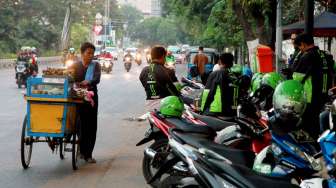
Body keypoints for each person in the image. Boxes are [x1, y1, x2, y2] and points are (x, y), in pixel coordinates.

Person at [291, 33, 332, 139]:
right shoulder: (326, 55)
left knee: (309, 126)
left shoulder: (307, 56)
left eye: (299, 47)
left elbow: (296, 77)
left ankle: (312, 149)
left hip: (310, 97)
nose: (300, 49)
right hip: (326, 96)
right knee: (321, 124)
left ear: (303, 44)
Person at [70, 42, 101, 163]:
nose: (91, 55)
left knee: (91, 125)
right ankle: (81, 149)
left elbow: (97, 79)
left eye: (92, 53)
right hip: (77, 97)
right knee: (79, 124)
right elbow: (69, 77)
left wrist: (87, 82)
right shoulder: (75, 65)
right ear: (82, 53)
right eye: (88, 53)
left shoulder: (96, 65)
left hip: (91, 98)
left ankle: (88, 154)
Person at [139, 46, 180, 115]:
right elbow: (175, 90)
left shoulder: (144, 71)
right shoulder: (168, 71)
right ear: (163, 56)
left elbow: (144, 84)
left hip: (149, 105)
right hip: (166, 105)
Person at [201, 53, 236, 117]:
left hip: (214, 111)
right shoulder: (234, 76)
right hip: (230, 112)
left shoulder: (215, 74)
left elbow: (207, 93)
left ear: (220, 61)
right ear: (231, 63)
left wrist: (201, 109)